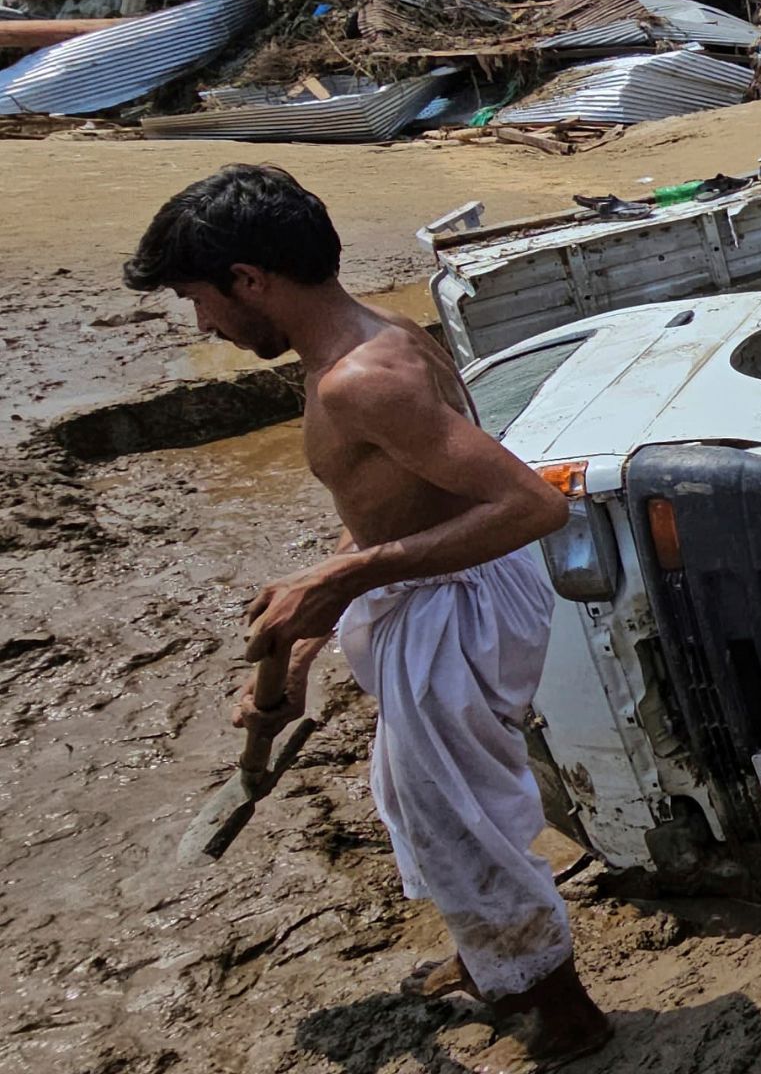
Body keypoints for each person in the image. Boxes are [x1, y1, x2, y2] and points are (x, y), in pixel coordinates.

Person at [122, 166, 612, 1062]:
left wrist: (345, 576)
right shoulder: (369, 337)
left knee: (458, 817)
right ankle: (492, 961)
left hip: (458, 606)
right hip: (431, 592)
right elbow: (395, 504)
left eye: (199, 300)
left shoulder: (362, 380)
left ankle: (560, 1006)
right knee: (414, 795)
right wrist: (311, 634)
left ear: (248, 280)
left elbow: (534, 506)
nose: (203, 328)